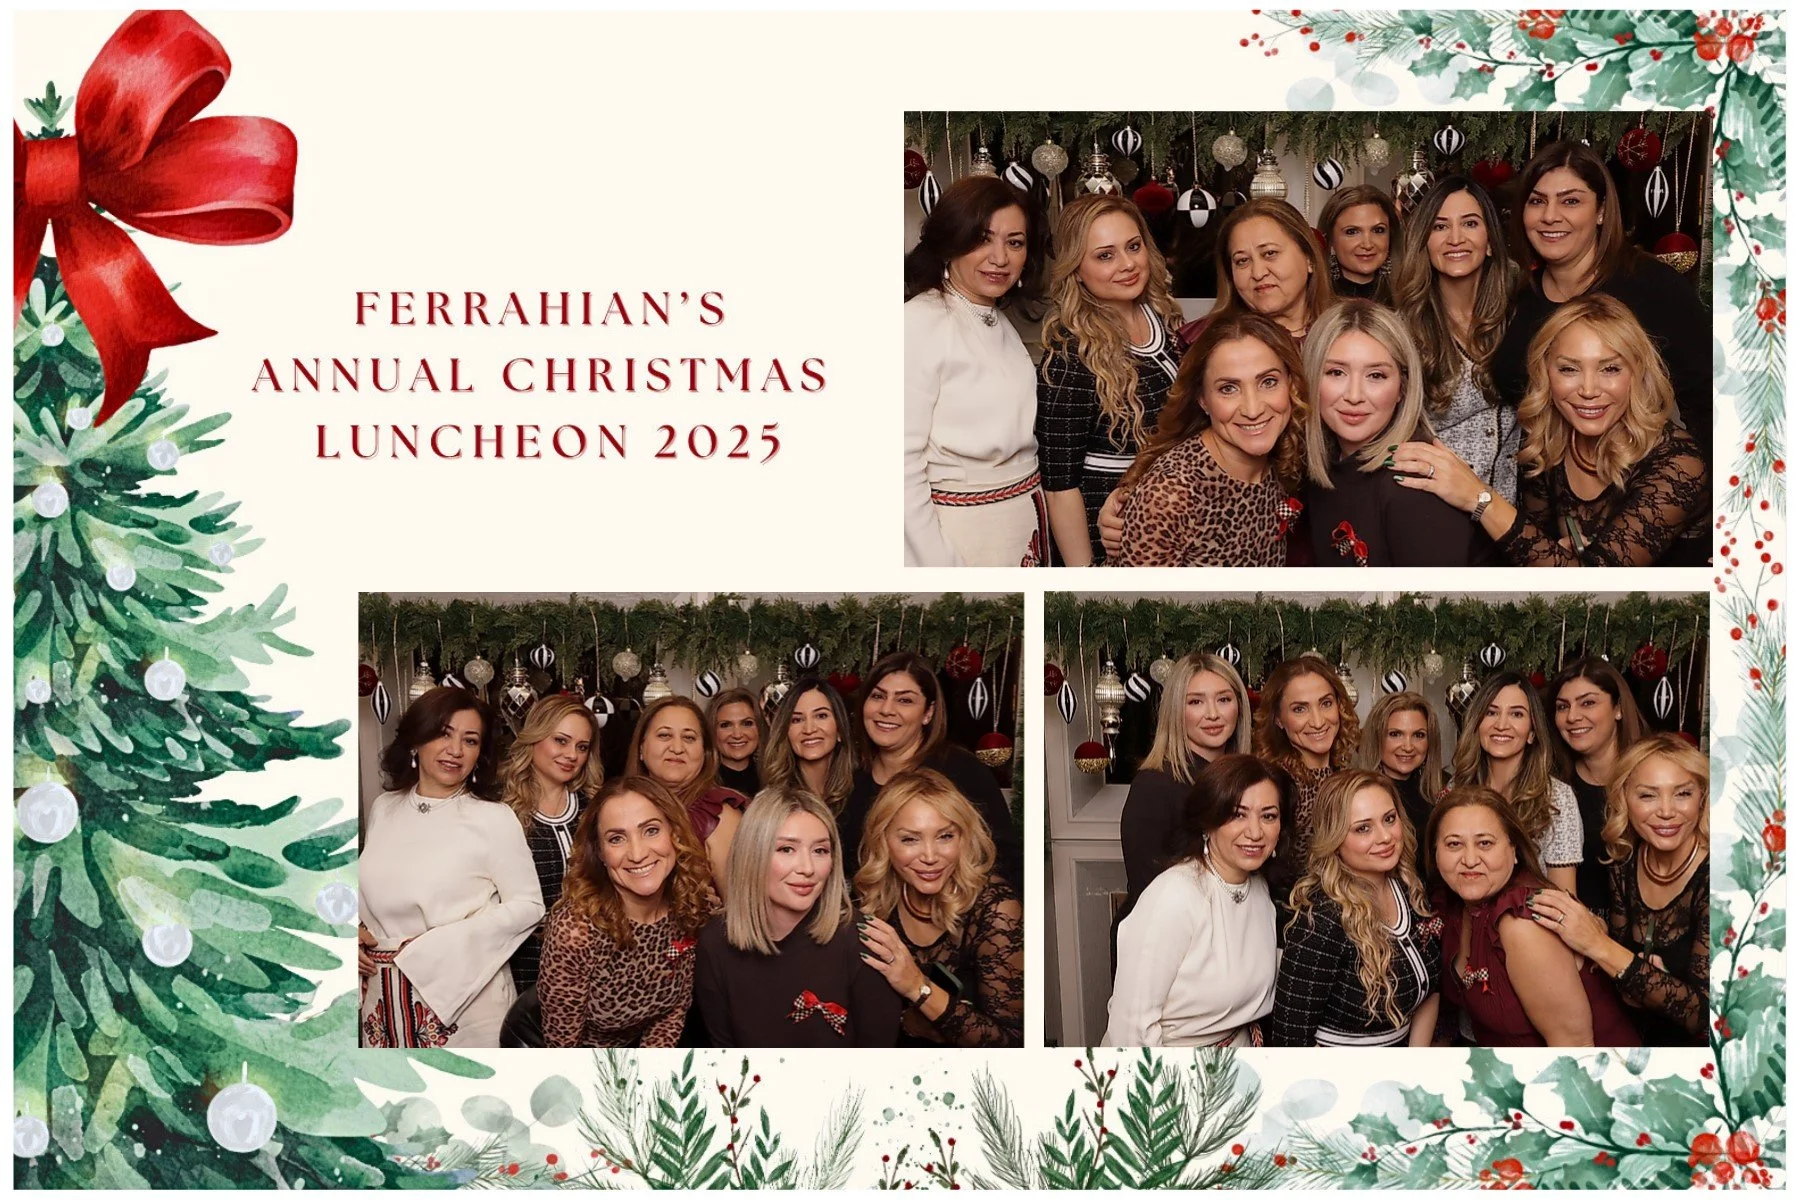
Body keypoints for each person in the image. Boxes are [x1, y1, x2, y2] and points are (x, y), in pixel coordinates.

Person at [1393, 294, 1708, 566]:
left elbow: (1596, 585)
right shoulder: (1549, 442)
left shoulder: (1680, 463)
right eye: (1569, 369)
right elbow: (1532, 551)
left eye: (1610, 368)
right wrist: (1557, 557)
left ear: (1637, 373)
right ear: (1546, 373)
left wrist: (1480, 497)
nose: (1588, 389)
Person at [1492, 140, 1711, 458]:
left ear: (1601, 211)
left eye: (1570, 201)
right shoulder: (1522, 295)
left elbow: (1707, 404)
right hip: (1538, 486)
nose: (1550, 216)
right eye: (1537, 201)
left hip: (1633, 489)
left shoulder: (1654, 287)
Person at [359, 688, 544, 1047]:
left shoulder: (493, 818)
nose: (456, 750)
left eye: (470, 740)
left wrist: (436, 948)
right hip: (382, 1004)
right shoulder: (384, 807)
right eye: (444, 733)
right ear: (417, 739)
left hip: (464, 1005)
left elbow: (529, 906)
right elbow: (370, 890)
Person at [1524, 734, 1709, 1045]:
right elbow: (1624, 976)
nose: (1666, 811)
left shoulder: (1718, 879)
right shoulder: (1625, 860)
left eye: (1683, 794)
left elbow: (1703, 1017)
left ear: (1702, 797)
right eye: (1648, 796)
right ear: (1624, 798)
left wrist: (1596, 943)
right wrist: (1642, 979)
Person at [903, 175, 1047, 566]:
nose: (999, 258)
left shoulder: (997, 320)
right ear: (950, 242)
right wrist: (939, 567)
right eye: (982, 238)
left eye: (1014, 242)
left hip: (1023, 528)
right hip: (962, 539)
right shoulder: (918, 323)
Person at [1035, 194, 1185, 565]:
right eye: (1105, 255)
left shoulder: (1164, 321)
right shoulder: (1069, 357)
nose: (1128, 264)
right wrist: (1084, 580)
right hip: (1111, 538)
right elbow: (1060, 486)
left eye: (1133, 247)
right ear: (1076, 269)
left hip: (1176, 524)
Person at [1428, 786, 1639, 1047]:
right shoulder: (1454, 906)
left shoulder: (1523, 923)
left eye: (1485, 843)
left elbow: (1575, 1047)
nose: (1470, 859)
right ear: (1436, 851)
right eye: (1454, 844)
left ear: (1513, 850)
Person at [692, 786, 903, 1047]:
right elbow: (725, 1059)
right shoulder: (715, 941)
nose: (807, 869)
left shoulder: (864, 941)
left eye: (820, 851)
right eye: (786, 849)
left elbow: (879, 1066)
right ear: (751, 854)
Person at [1106, 755, 1291, 1047]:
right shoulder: (1174, 896)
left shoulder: (1258, 890)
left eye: (1268, 816)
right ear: (1208, 821)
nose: (1255, 832)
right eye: (1237, 814)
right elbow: (1131, 1032)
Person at [1113, 312, 1307, 567]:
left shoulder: (1287, 454)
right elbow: (1138, 605)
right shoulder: (1172, 493)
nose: (1252, 409)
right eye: (1228, 388)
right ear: (1203, 399)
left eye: (1268, 382)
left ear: (1291, 384)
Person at [1300, 299, 1484, 566]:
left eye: (1376, 376)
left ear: (1402, 388)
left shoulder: (1413, 487)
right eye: (1336, 372)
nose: (1354, 395)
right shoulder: (1324, 466)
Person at [536, 777, 717, 1048]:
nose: (637, 853)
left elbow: (673, 1011)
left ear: (675, 833)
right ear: (599, 852)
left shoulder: (691, 904)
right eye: (617, 838)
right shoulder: (575, 931)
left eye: (651, 830)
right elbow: (564, 1051)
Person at [853, 769, 1023, 1047]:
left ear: (963, 838)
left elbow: (1012, 1044)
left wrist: (917, 988)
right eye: (910, 839)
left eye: (945, 836)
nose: (930, 856)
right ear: (883, 841)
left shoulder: (997, 910)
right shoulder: (871, 899)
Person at [1269, 771, 1441, 1046]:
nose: (1385, 837)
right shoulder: (1321, 919)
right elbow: (1289, 1039)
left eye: (1389, 819)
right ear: (1335, 839)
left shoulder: (1409, 889)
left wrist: (1414, 1067)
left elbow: (1431, 986)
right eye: (1363, 828)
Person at [1390, 175, 1521, 504]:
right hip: (1436, 512)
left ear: (1490, 240)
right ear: (1425, 243)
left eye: (1470, 223)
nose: (1456, 238)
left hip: (1511, 515)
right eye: (1440, 227)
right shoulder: (1400, 332)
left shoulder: (1518, 318)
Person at [843, 652, 1022, 885]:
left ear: (928, 713)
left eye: (904, 700)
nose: (886, 709)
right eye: (877, 696)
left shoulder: (961, 771)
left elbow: (1004, 861)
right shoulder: (852, 777)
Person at [1117, 651, 1253, 918]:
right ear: (1176, 711)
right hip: (1168, 943)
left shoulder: (1250, 781)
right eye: (1196, 702)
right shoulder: (1154, 786)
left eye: (1223, 699)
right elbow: (1148, 894)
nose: (1213, 714)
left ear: (1239, 706)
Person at [498, 695, 605, 995]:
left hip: (595, 965)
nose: (571, 754)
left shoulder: (595, 808)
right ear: (534, 738)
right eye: (561, 740)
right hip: (522, 967)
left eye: (582, 747)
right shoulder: (501, 811)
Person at [1449, 671, 1582, 893]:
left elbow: (1564, 898)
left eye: (1517, 714)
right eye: (1491, 712)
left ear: (1532, 732)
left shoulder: (1557, 797)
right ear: (1477, 724)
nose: (1501, 724)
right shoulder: (1457, 787)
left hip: (1529, 922)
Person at [1548, 657, 1647, 912]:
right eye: (1562, 707)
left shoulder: (1652, 780)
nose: (1572, 716)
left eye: (1588, 703)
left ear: (1618, 708)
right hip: (1573, 933)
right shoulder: (1554, 787)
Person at [627, 696, 748, 895]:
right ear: (641, 748)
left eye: (689, 738)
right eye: (664, 735)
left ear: (705, 753)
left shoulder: (719, 817)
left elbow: (741, 911)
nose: (677, 748)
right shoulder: (619, 807)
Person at [1252, 655, 1360, 867]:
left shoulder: (1343, 775)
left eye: (1326, 703)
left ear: (1340, 706)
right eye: (1300, 709)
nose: (1318, 721)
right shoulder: (1275, 787)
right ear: (1278, 719)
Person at [1186, 198, 1336, 344]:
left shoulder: (1349, 328)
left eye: (1270, 253)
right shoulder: (1204, 341)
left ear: (1309, 258)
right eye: (1242, 261)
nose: (1258, 273)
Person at [1357, 690, 1447, 882]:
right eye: (1395, 734)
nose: (1408, 746)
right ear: (1376, 738)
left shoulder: (1443, 792)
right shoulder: (1358, 796)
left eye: (1418, 735)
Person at [761, 676, 858, 815]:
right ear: (786, 733)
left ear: (840, 729)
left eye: (821, 716)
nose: (809, 729)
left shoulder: (864, 792)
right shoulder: (772, 804)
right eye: (797, 719)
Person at [1317, 185, 1399, 300]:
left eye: (1378, 230)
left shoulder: (1409, 297)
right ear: (1330, 239)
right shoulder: (1312, 299)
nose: (1368, 244)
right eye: (1352, 232)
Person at [708, 688, 765, 799]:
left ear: (759, 728)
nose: (737, 735)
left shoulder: (775, 780)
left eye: (747, 723)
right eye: (725, 725)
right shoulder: (700, 784)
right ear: (712, 731)